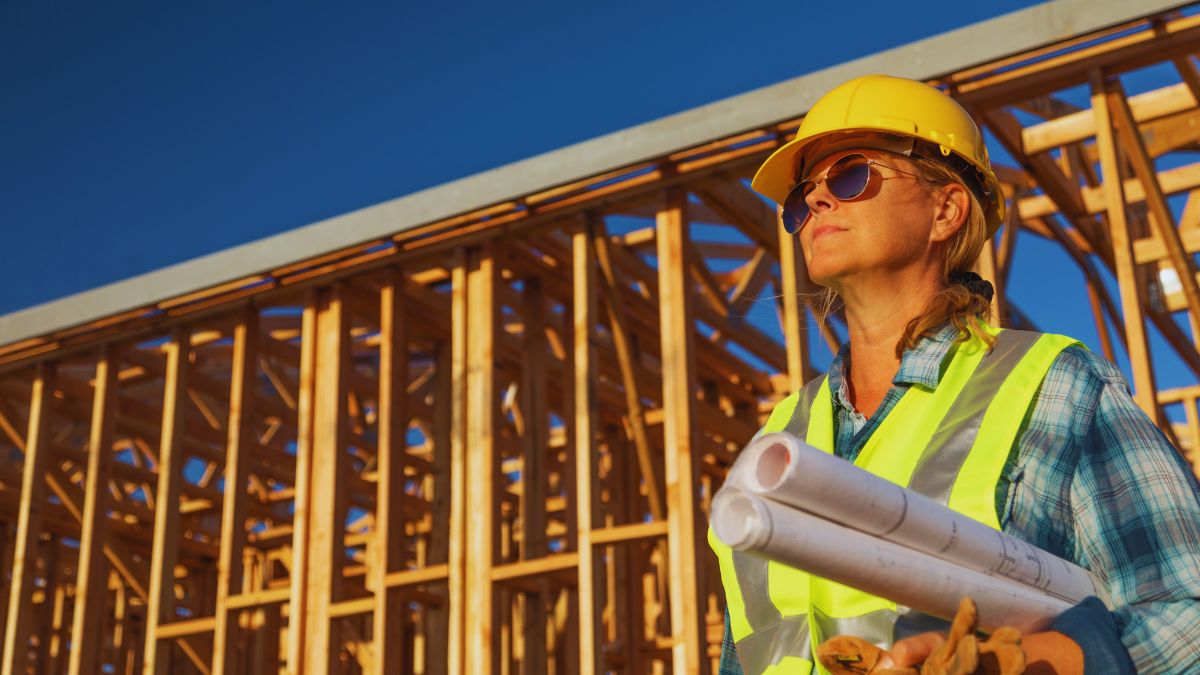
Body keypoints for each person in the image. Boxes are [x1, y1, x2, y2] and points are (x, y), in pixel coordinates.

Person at [708, 74, 1200, 674]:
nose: (815, 200)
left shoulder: (1053, 387)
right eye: (800, 195)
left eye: (851, 174)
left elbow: (1185, 616)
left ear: (945, 209)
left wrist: (1027, 663)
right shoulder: (773, 447)